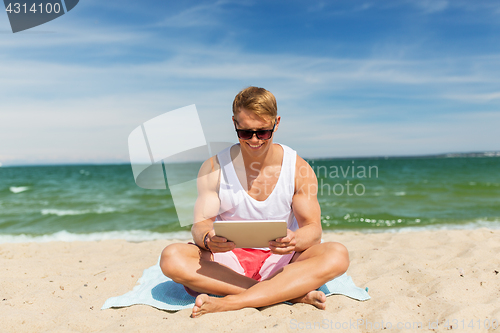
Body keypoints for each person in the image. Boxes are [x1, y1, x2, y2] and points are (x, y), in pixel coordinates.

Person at [160, 86, 349, 318]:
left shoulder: (298, 167)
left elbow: (314, 230)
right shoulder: (214, 168)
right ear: (234, 124)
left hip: (281, 260)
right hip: (227, 262)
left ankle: (232, 302)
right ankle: (286, 294)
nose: (254, 140)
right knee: (171, 257)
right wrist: (208, 239)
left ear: (276, 123)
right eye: (245, 132)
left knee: (337, 254)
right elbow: (200, 225)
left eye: (263, 132)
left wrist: (295, 239)